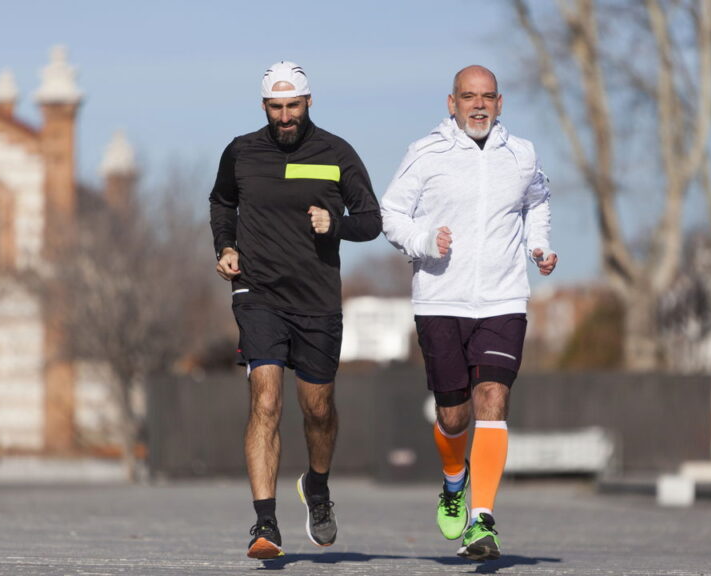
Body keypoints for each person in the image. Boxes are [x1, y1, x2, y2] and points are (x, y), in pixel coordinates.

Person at [381, 65, 556, 562]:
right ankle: (454, 480)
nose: (478, 105)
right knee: (453, 414)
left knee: (492, 398)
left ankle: (482, 520)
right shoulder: (425, 153)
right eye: (467, 97)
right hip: (440, 299)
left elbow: (538, 201)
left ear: (500, 104)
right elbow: (391, 212)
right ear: (451, 103)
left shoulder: (521, 155)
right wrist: (423, 242)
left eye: (487, 97)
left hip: (503, 299)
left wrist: (538, 246)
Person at [209, 60, 381, 560]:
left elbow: (371, 219)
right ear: (264, 106)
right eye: (276, 107)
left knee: (318, 410)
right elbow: (221, 201)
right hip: (257, 293)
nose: (285, 117)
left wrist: (337, 223)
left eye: (293, 106)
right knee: (265, 400)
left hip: (317, 300)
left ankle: (319, 489)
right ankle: (265, 524)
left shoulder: (336, 152)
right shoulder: (240, 152)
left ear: (309, 103)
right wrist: (225, 246)